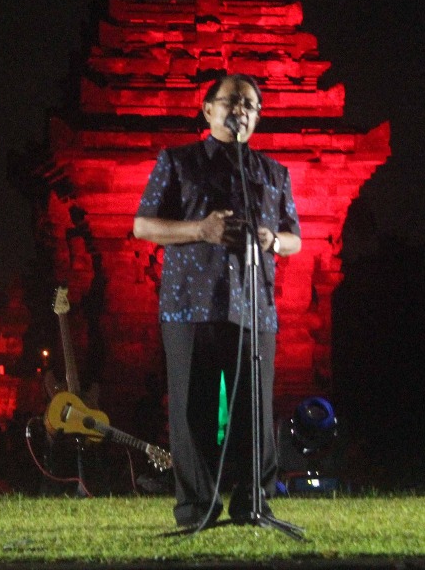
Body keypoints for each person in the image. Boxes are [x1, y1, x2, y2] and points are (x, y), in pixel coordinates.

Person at [133, 73, 301, 528]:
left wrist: (273, 241)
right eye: (231, 102)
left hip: (253, 305)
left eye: (250, 105)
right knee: (193, 414)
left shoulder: (273, 173)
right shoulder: (178, 162)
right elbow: (143, 226)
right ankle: (197, 509)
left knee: (255, 412)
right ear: (207, 109)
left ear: (257, 118)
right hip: (191, 304)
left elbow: (295, 239)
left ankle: (254, 504)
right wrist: (199, 230)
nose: (240, 111)